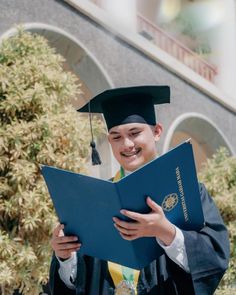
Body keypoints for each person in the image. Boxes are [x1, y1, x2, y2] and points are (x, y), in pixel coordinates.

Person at [49, 86, 230, 295]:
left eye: (134, 133)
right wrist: (65, 257)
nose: (126, 144)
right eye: (116, 137)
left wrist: (167, 232)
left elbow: (215, 258)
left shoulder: (188, 191)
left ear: (156, 132)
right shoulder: (96, 201)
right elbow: (78, 282)